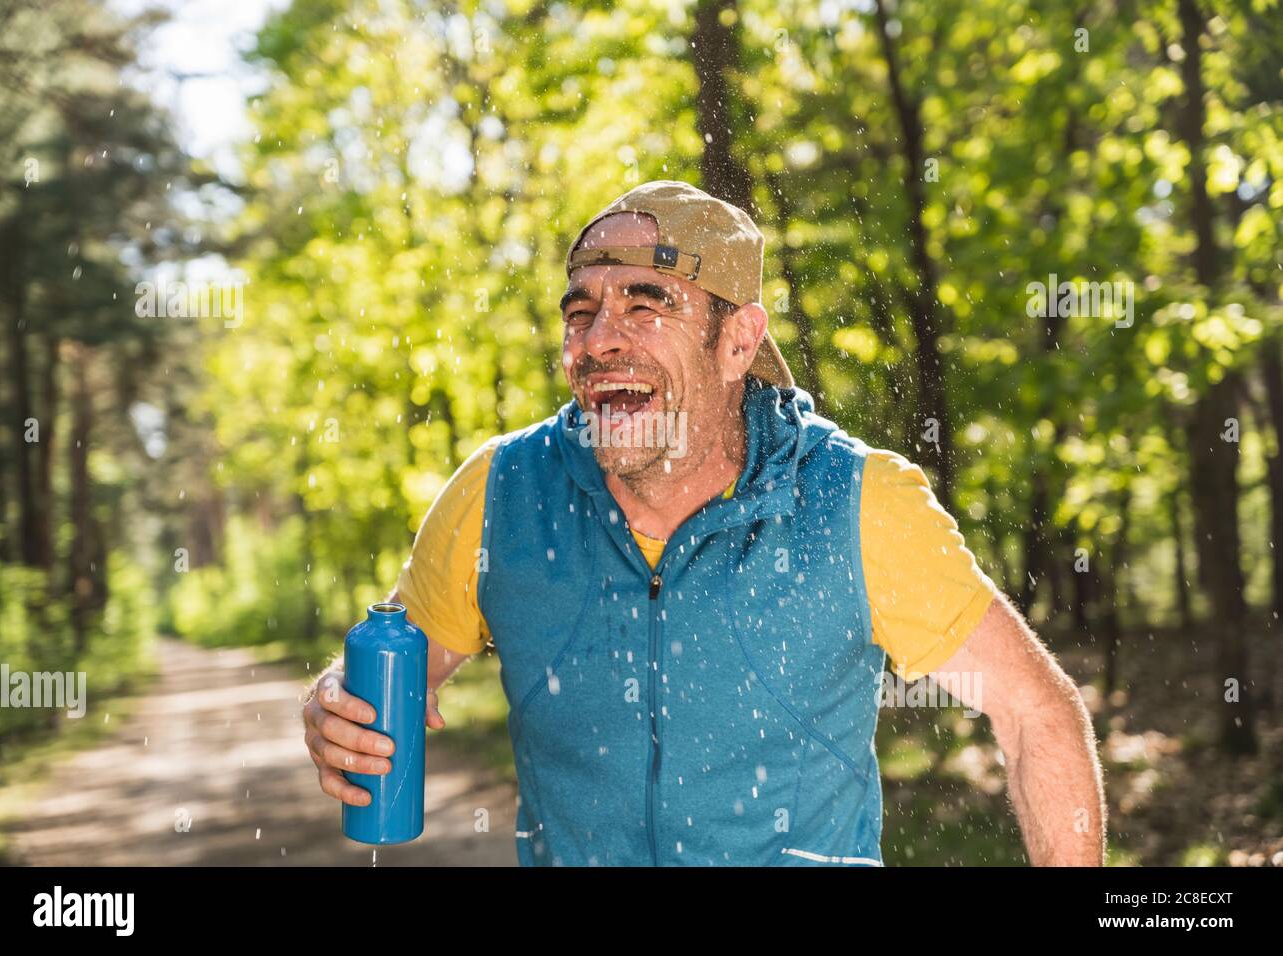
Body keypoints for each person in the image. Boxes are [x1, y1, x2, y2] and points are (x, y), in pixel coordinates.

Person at [302, 180, 1105, 866]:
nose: (600, 339)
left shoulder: (855, 503)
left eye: (646, 305)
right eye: (580, 313)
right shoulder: (502, 493)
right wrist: (336, 702)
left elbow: (1038, 713)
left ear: (737, 341)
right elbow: (386, 676)